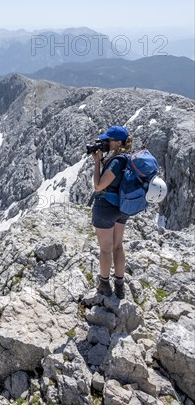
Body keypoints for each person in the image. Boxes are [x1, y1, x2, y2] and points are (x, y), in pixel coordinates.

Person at [91, 125, 133, 299]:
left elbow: (98, 185)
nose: (105, 143)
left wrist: (96, 163)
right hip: (122, 208)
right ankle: (120, 285)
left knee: (106, 250)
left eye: (108, 140)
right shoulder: (127, 158)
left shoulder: (116, 161)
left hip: (107, 208)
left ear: (118, 142)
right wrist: (103, 161)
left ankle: (105, 284)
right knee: (118, 246)